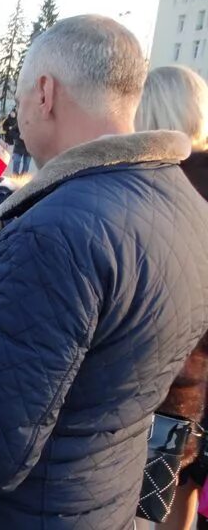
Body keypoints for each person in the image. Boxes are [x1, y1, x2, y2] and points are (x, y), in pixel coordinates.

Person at [0, 15, 208, 530]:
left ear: (44, 93)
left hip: (37, 510)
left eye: (21, 96)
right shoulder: (182, 200)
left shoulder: (53, 231)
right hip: (105, 492)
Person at [135, 64, 208, 530]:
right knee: (187, 492)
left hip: (166, 387)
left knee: (150, 499)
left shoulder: (160, 185)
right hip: (199, 385)